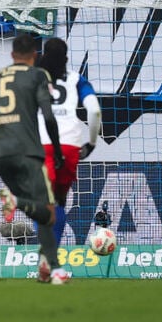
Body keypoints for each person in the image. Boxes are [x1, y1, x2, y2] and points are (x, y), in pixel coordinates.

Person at [0, 33, 69, 284]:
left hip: (1, 155)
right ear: (35, 56)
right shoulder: (37, 75)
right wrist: (56, 152)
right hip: (28, 152)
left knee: (40, 211)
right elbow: (48, 117)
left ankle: (46, 268)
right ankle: (54, 268)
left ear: (12, 55)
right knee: (48, 210)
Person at [36, 38, 102, 245]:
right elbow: (94, 111)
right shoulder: (77, 79)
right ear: (65, 58)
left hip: (42, 144)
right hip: (70, 146)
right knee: (58, 202)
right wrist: (91, 143)